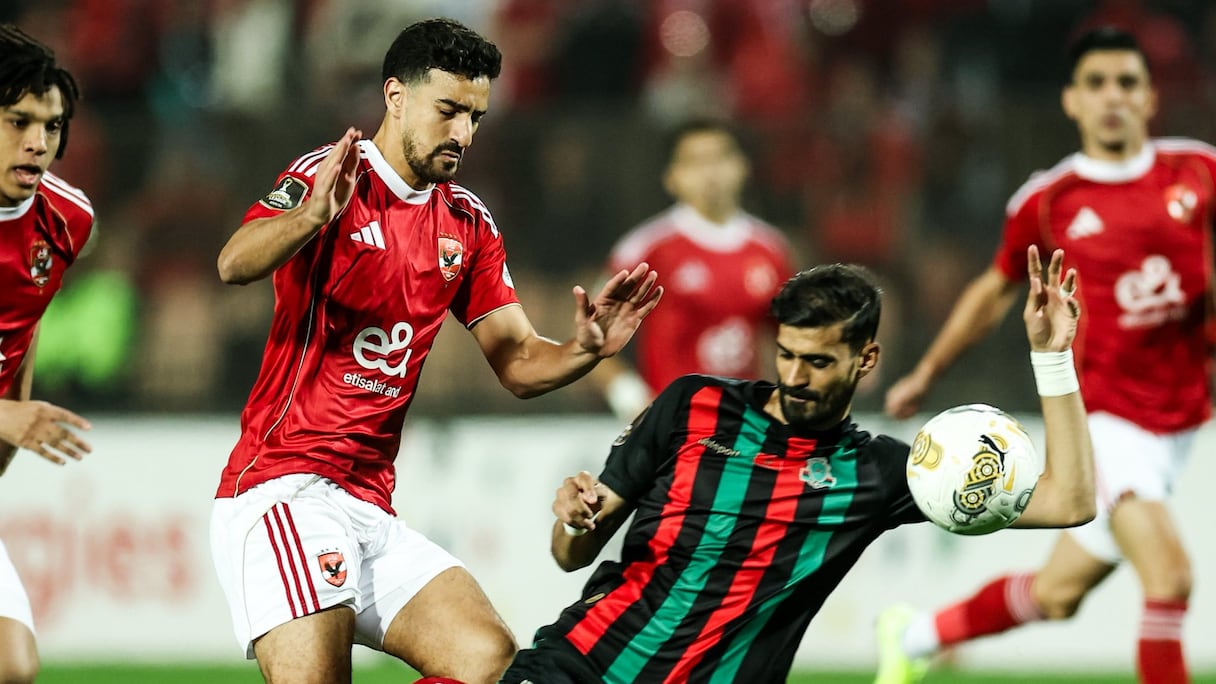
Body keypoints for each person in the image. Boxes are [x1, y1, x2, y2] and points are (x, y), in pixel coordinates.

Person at [209, 18, 662, 684]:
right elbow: (233, 263)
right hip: (285, 486)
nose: (464, 134)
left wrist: (584, 349)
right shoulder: (332, 177)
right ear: (395, 96)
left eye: (475, 116)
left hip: (370, 503)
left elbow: (517, 361)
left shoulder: (466, 221)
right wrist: (309, 218)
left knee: (488, 661)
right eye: (448, 110)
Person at [500, 246, 1095, 683]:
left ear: (866, 359)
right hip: (581, 665)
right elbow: (570, 553)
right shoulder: (692, 404)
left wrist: (1053, 358)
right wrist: (574, 519)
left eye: (818, 361)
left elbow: (1070, 501)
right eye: (785, 354)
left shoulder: (877, 474)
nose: (795, 376)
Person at [877, 27, 1212, 684]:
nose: (1112, 96)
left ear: (1150, 97)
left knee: (1058, 594)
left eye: (1127, 83)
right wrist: (927, 370)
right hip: (1105, 422)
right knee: (1170, 578)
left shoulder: (1199, 172)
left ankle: (912, 635)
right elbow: (992, 292)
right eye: (1096, 84)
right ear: (1071, 100)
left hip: (1179, 420)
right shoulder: (1050, 199)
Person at [0, 24, 94, 684]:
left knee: (13, 666)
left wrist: (14, 419)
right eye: (18, 122)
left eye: (52, 126)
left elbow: (22, 328)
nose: (38, 142)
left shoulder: (66, 220)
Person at [593, 118, 795, 421]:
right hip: (674, 426)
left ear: (743, 167)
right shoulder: (647, 248)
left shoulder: (771, 250)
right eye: (695, 162)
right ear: (671, 177)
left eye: (720, 157)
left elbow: (791, 338)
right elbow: (592, 331)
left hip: (747, 426)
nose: (710, 172)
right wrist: (628, 393)